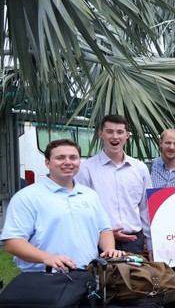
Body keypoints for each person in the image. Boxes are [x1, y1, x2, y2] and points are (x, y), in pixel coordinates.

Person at [2, 139, 125, 272]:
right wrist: (46, 257)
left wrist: (109, 249)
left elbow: (104, 229)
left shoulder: (90, 195)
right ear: (47, 163)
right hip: (45, 276)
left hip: (88, 276)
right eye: (60, 158)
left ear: (79, 162)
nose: (68, 162)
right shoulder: (27, 197)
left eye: (73, 157)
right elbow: (13, 242)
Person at [75, 114, 152, 254]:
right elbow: (82, 209)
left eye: (120, 132)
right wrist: (106, 233)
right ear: (101, 134)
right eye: (109, 131)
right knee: (101, 277)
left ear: (127, 135)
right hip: (99, 242)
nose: (115, 137)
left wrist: (151, 243)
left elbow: (145, 208)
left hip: (134, 242)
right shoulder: (86, 169)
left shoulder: (140, 168)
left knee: (135, 276)